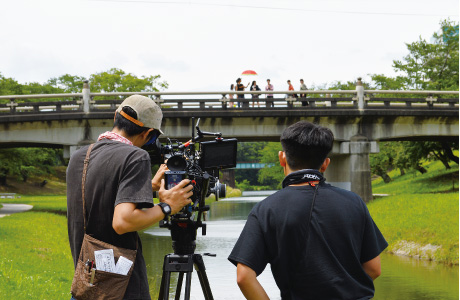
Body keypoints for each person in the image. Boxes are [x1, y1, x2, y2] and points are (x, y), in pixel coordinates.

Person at [228, 121, 388, 300]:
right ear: (325, 164)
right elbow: (374, 268)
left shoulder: (266, 209)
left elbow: (244, 277)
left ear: (282, 158)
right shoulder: (354, 202)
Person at [67, 95, 193, 300]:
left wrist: (147, 187)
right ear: (149, 134)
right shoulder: (135, 156)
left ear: (116, 116)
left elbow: (100, 198)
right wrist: (167, 206)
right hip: (122, 288)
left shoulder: (80, 156)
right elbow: (123, 221)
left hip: (87, 285)